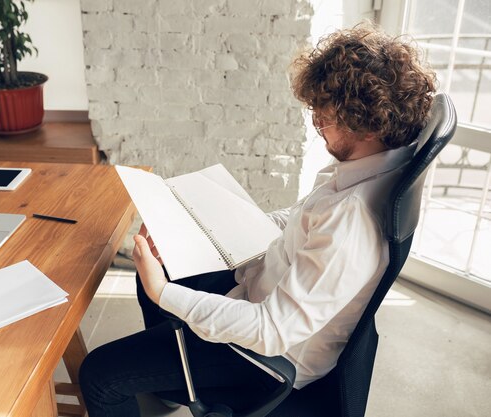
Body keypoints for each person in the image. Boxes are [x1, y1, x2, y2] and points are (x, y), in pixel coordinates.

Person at [79, 23, 436, 416]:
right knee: (164, 260)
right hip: (261, 288)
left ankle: (165, 375)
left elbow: (269, 331)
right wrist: (231, 222)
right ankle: (166, 385)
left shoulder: (351, 222)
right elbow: (303, 217)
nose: (316, 123)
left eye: (325, 115)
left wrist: (163, 291)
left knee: (99, 375)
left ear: (366, 121)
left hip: (262, 359)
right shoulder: (368, 168)